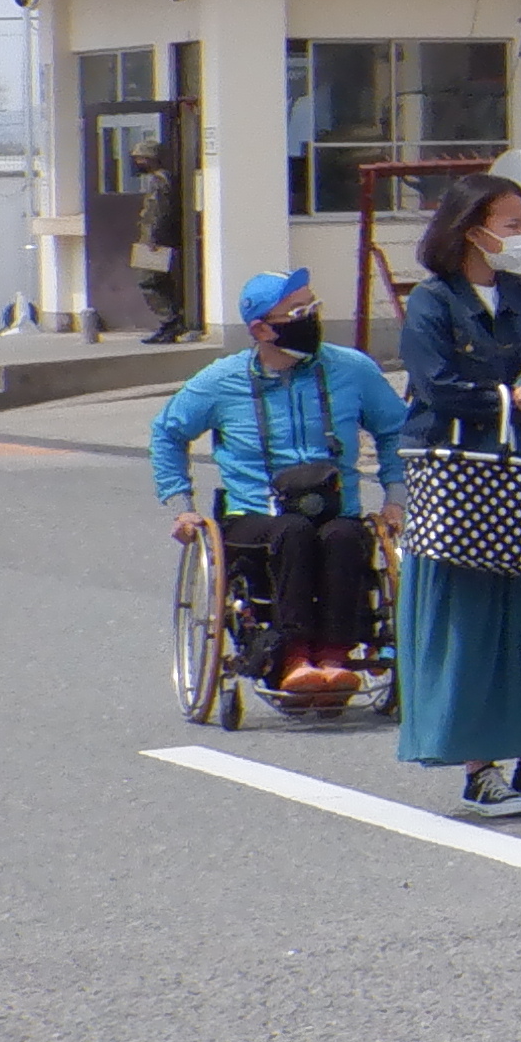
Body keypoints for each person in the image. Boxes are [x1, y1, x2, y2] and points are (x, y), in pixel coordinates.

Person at [396, 172, 521, 819]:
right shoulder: (431, 303)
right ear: (470, 229)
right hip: (460, 472)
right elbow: (434, 382)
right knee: (470, 617)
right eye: (511, 225)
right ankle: (478, 765)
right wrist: (502, 393)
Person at [152, 267, 409, 701]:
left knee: (345, 535)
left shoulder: (351, 369)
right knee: (292, 532)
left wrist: (395, 497)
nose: (312, 318)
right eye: (299, 311)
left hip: (334, 509)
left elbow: (395, 429)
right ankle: (291, 657)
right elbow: (168, 433)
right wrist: (182, 505)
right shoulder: (221, 380)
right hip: (256, 516)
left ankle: (333, 656)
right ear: (261, 329)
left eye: (314, 307)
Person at [130, 145, 192, 343]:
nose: (137, 163)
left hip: (154, 241)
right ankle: (170, 323)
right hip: (155, 238)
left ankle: (170, 321)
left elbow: (157, 213)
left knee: (147, 281)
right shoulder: (162, 179)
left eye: (140, 158)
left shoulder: (159, 181)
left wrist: (153, 239)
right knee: (160, 282)